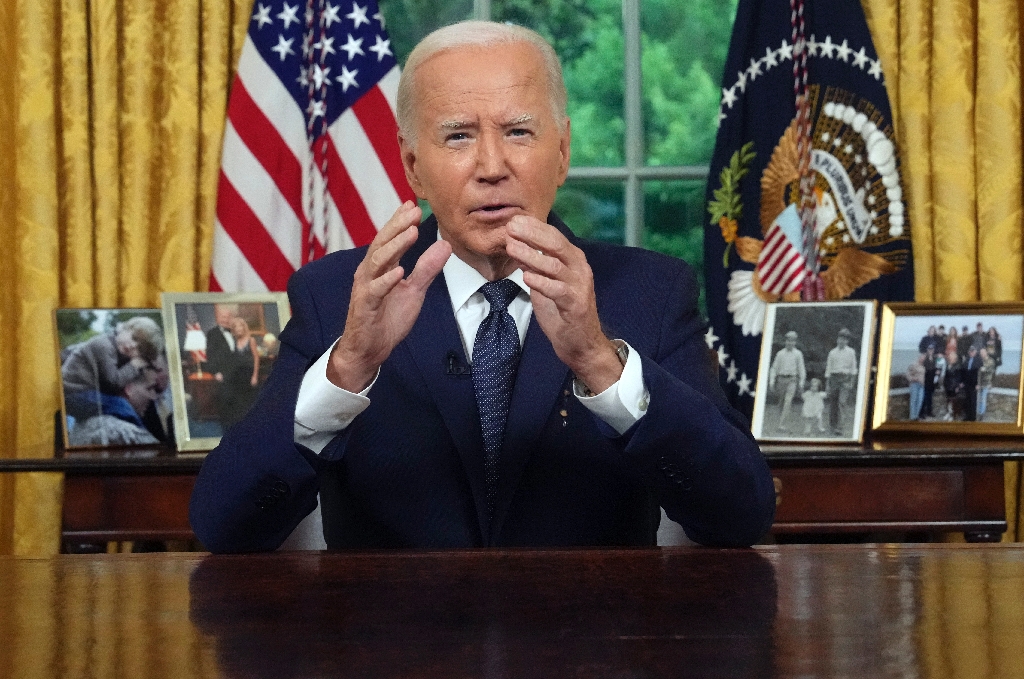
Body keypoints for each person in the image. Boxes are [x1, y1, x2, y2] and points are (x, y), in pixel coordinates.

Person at [189, 21, 775, 552]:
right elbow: (225, 526)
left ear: (563, 150)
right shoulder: (336, 295)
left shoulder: (650, 290)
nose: (492, 166)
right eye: (459, 137)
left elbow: (740, 516)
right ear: (413, 164)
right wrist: (346, 369)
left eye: (519, 132)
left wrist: (600, 362)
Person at [218, 316, 262, 429]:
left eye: (240, 327)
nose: (238, 329)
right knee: (239, 401)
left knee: (250, 401)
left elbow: (256, 359)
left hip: (249, 374)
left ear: (244, 328)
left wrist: (255, 376)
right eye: (236, 328)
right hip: (238, 376)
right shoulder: (234, 342)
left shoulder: (251, 340)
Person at [768, 330, 806, 432]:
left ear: (795, 342)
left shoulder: (798, 354)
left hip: (792, 380)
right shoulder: (780, 354)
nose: (790, 343)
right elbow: (774, 368)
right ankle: (781, 420)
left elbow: (801, 369)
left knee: (788, 402)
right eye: (788, 341)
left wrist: (801, 382)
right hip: (781, 379)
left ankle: (782, 424)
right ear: (785, 341)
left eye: (792, 341)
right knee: (781, 402)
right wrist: (772, 382)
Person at [824, 328, 858, 435]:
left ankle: (840, 427)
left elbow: (853, 368)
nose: (841, 341)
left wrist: (852, 382)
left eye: (844, 339)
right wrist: (827, 384)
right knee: (833, 403)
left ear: (847, 341)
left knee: (842, 402)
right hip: (834, 379)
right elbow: (828, 369)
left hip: (845, 379)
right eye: (840, 339)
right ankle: (832, 426)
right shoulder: (832, 352)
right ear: (837, 339)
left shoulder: (851, 352)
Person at [962, 345, 981, 421]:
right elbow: (963, 371)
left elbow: (979, 374)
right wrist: (962, 382)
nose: (971, 352)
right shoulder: (966, 359)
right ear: (968, 352)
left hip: (974, 384)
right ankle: (967, 417)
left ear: (975, 352)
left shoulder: (979, 360)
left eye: (973, 351)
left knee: (973, 401)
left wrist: (978, 384)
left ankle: (972, 418)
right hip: (967, 383)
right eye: (970, 351)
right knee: (967, 400)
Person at [978, 346, 996, 420]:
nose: (982, 354)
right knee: (978, 398)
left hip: (986, 382)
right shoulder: (979, 360)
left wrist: (984, 369)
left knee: (983, 398)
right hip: (979, 382)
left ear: (986, 352)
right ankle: (978, 412)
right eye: (981, 353)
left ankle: (981, 414)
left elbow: (990, 370)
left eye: (983, 352)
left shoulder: (991, 360)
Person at [906, 353, 926, 420]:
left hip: (921, 386)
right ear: (919, 358)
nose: (922, 359)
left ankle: (916, 416)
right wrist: (913, 379)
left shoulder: (923, 366)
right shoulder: (913, 365)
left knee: (920, 400)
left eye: (924, 358)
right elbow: (908, 374)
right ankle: (912, 417)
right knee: (913, 400)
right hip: (914, 385)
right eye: (921, 358)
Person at [921, 345, 938, 419]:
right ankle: (922, 413)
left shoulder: (934, 358)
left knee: (930, 398)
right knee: (924, 398)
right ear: (927, 350)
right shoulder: (924, 357)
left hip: (932, 381)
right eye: (929, 349)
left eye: (932, 349)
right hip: (925, 380)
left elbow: (935, 368)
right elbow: (923, 368)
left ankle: (929, 412)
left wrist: (937, 371)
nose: (931, 350)